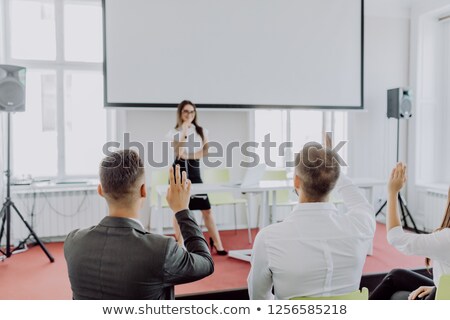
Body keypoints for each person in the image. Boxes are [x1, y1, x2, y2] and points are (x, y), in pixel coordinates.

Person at [64, 150, 214, 299]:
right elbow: (206, 262)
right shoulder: (161, 250)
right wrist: (182, 210)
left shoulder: (73, 242)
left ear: (100, 190)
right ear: (143, 191)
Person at [247, 139, 376, 299]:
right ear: (335, 181)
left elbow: (258, 299)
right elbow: (360, 203)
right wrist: (330, 166)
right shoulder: (361, 225)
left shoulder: (268, 239)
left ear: (296, 181)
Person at [370, 163, 450, 300]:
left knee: (396, 290)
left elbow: (396, 237)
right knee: (396, 276)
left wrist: (392, 192)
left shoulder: (446, 238)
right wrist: (436, 288)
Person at [168, 100, 227, 255]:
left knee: (206, 209)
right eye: (186, 112)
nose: (189, 115)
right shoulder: (174, 132)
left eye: (192, 112)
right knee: (179, 210)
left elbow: (205, 151)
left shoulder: (201, 130)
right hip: (179, 170)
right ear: (180, 113)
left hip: (195, 170)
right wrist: (184, 131)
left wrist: (190, 155)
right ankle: (180, 245)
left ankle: (218, 244)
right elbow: (179, 152)